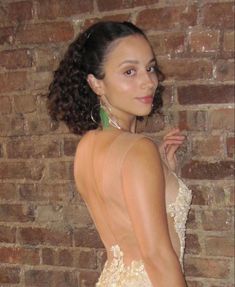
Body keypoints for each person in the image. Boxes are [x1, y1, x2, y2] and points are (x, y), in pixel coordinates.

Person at [47, 21, 192, 287]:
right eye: (129, 71)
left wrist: (165, 173)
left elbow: (125, 225)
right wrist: (150, 161)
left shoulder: (87, 147)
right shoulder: (138, 150)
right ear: (96, 83)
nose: (148, 81)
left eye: (149, 68)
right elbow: (157, 256)